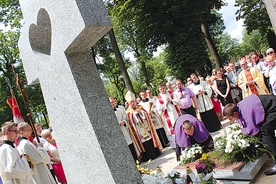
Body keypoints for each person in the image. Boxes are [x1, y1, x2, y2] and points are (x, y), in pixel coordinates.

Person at [223, 94, 276, 175]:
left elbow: (253, 130)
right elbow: (243, 124)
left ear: (235, 113)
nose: (230, 120)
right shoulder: (238, 108)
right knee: (267, 133)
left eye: (230, 118)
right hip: (267, 106)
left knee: (264, 133)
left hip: (273, 107)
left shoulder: (246, 112)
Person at [125, 91, 161, 162]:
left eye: (133, 101)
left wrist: (141, 112)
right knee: (143, 142)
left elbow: (146, 114)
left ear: (135, 101)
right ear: (129, 103)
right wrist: (134, 114)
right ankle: (147, 157)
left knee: (150, 139)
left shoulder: (140, 107)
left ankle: (155, 153)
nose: (133, 103)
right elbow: (130, 121)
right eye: (131, 102)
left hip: (145, 126)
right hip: (138, 129)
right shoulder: (128, 112)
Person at [109, 97, 138, 161]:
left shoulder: (119, 110)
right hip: (117, 134)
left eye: (114, 102)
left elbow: (125, 118)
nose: (113, 103)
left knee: (130, 146)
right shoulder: (107, 114)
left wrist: (124, 122)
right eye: (111, 102)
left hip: (124, 130)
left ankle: (136, 161)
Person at [156, 84, 182, 148]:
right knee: (171, 130)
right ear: (159, 90)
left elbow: (179, 102)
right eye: (161, 89)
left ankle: (182, 141)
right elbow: (159, 110)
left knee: (179, 126)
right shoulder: (158, 98)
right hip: (167, 117)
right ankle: (175, 146)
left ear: (165, 87)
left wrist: (171, 101)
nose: (162, 90)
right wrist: (165, 103)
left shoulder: (172, 93)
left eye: (163, 88)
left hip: (175, 113)